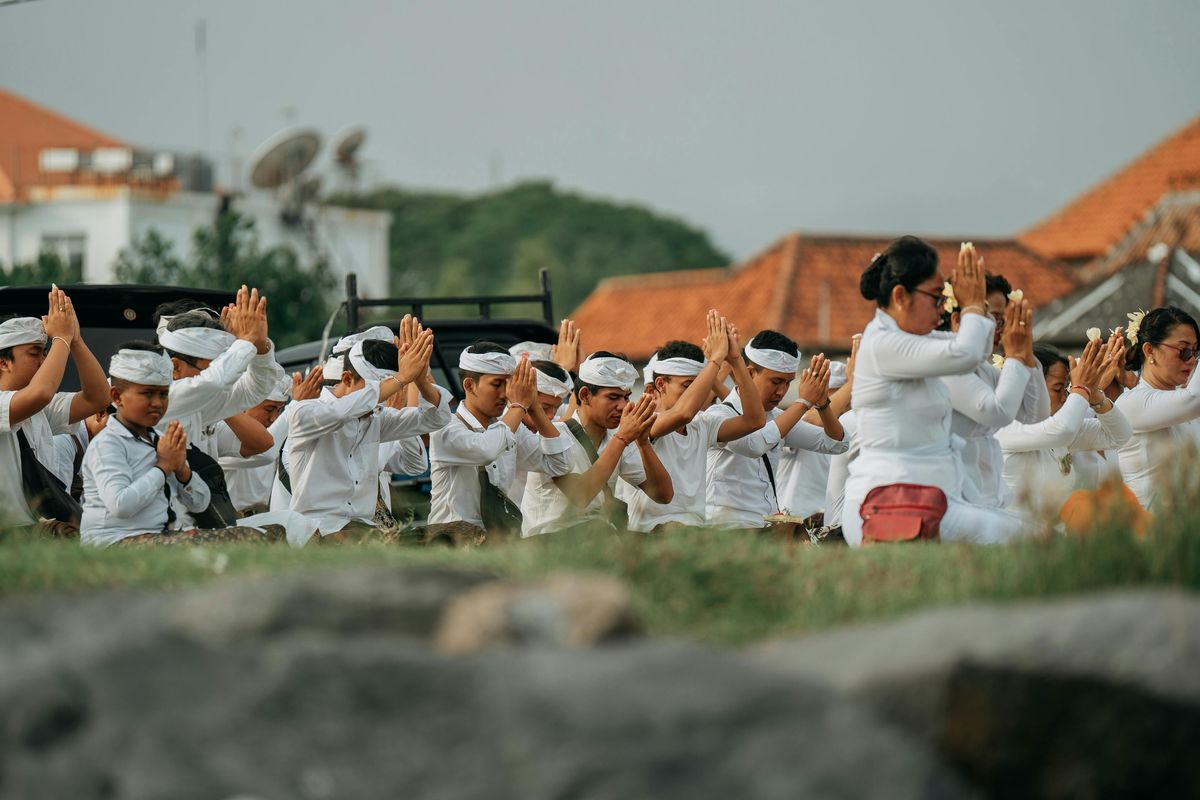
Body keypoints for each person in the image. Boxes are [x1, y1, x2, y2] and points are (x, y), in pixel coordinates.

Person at [845, 237, 1027, 546]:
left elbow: (973, 349)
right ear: (901, 296)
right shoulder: (881, 344)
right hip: (889, 503)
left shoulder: (911, 340)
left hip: (931, 498)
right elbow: (964, 353)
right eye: (936, 297)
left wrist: (983, 312)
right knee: (1029, 539)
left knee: (1036, 532)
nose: (941, 308)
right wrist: (971, 305)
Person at [286, 331, 450, 542]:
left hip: (367, 531)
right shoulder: (304, 413)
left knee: (455, 535)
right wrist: (401, 378)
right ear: (346, 378)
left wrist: (419, 380)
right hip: (316, 531)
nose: (380, 403)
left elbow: (436, 419)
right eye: (377, 391)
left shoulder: (376, 417)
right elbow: (341, 411)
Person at [625, 311, 767, 532]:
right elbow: (684, 413)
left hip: (694, 532)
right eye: (686, 385)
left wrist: (735, 359)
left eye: (697, 385)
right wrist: (716, 359)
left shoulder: (702, 423)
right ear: (661, 384)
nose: (695, 393)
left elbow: (755, 420)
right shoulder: (644, 420)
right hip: (651, 533)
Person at [705, 332, 848, 530]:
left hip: (765, 532)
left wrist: (823, 403)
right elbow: (754, 444)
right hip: (724, 532)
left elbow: (838, 444)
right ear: (750, 373)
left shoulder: (778, 418)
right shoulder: (717, 415)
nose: (782, 391)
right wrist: (803, 403)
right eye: (776, 381)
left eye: (788, 383)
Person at [520, 352, 673, 536]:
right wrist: (622, 438)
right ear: (584, 395)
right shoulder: (554, 435)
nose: (623, 406)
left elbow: (663, 495)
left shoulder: (616, 437)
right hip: (548, 543)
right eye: (613, 397)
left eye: (626, 397)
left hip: (596, 539)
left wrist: (643, 443)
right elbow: (581, 495)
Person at [428, 344, 572, 536]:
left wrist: (535, 407)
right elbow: (486, 450)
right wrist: (519, 405)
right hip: (451, 544)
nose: (505, 394)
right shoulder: (446, 427)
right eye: (497, 384)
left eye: (508, 384)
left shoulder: (513, 428)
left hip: (496, 543)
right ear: (469, 385)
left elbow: (559, 465)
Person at [79, 345, 213, 547]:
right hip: (113, 542)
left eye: (163, 394)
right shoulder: (107, 443)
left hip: (160, 537)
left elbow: (200, 504)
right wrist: (164, 468)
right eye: (148, 393)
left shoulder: (160, 440)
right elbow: (120, 505)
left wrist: (182, 470)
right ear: (116, 397)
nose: (158, 403)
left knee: (267, 533)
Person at [0, 288, 110, 531]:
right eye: (34, 353)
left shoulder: (39, 409)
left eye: (45, 352)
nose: (43, 361)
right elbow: (41, 393)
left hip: (36, 530)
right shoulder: (17, 402)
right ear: (3, 362)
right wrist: (61, 338)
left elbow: (99, 398)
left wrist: (76, 341)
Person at [998, 337, 1131, 517]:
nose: (1064, 398)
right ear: (1030, 388)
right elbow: (1063, 430)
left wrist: (1096, 396)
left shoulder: (1056, 428)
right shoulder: (1004, 425)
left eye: (1066, 390)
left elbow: (1120, 435)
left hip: (1056, 537)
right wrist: (1082, 389)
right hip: (1016, 539)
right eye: (1058, 389)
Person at [941, 279, 1042, 508]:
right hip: (956, 497)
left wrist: (1025, 354)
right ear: (957, 321)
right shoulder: (945, 366)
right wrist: (1015, 357)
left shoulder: (985, 371)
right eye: (994, 318)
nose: (1003, 328)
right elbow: (998, 412)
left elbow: (1035, 414)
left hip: (991, 494)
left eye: (1004, 320)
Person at [157, 285, 286, 459]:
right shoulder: (158, 398)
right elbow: (214, 382)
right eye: (207, 369)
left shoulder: (201, 403)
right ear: (176, 367)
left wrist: (260, 344)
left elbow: (255, 388)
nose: (215, 371)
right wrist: (246, 340)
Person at [1114, 306, 1200, 511]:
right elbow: (1194, 399)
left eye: (1196, 350)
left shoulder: (1184, 404)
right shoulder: (1131, 403)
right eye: (1184, 350)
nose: (1192, 359)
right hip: (1151, 533)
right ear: (1149, 350)